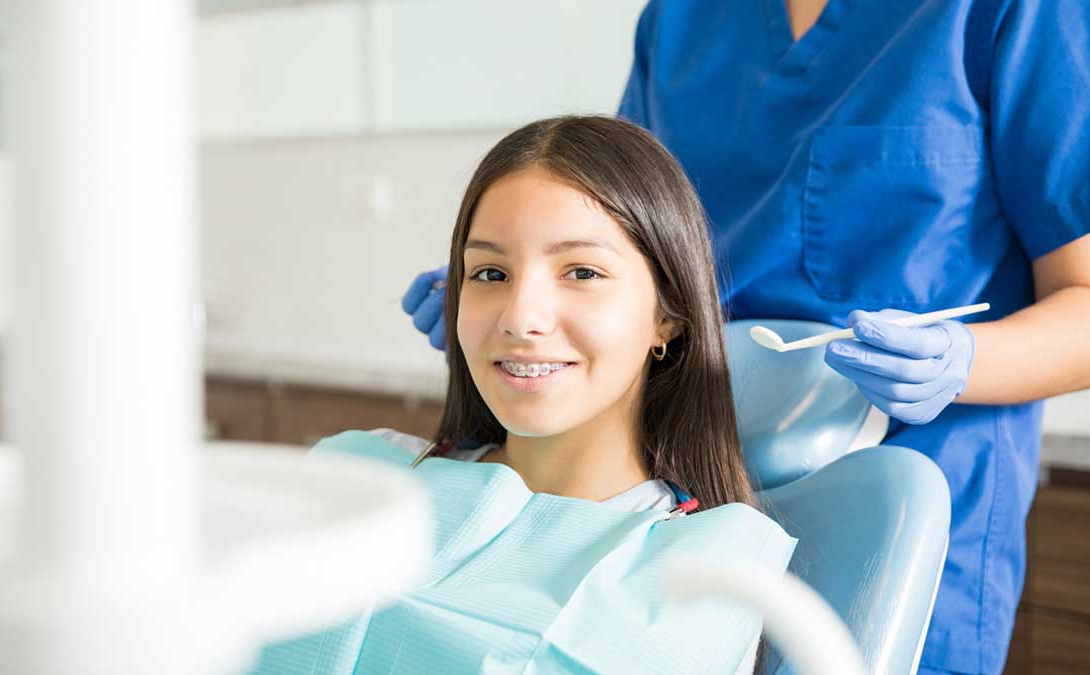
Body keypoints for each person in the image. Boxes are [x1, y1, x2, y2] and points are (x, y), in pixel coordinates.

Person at [402, 2, 1090, 673]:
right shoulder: (679, 20)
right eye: (487, 273)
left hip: (913, 492)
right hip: (672, 490)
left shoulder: (1027, 11)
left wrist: (964, 361)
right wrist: (522, 303)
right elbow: (625, 228)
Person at [250, 116, 796, 675]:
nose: (520, 317)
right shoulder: (362, 474)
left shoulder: (701, 573)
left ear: (667, 316)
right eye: (490, 274)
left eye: (581, 272)